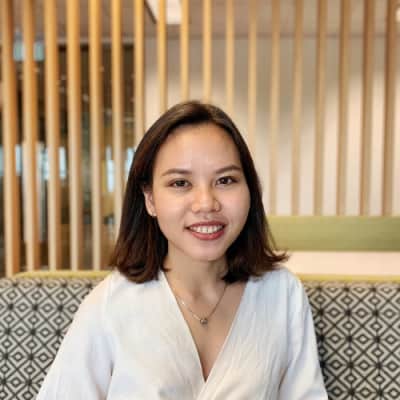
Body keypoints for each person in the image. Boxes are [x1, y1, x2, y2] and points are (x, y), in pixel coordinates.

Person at [37, 101, 328, 399]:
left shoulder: (282, 295)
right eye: (180, 183)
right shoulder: (109, 306)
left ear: (250, 190)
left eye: (225, 180)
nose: (206, 203)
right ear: (150, 199)